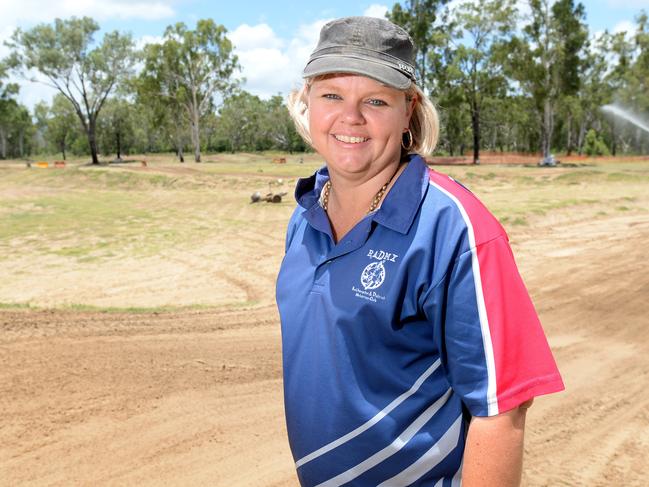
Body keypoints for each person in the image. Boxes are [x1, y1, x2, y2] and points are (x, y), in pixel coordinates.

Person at [276, 16, 564, 486]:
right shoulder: (304, 217)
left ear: (407, 110)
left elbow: (501, 408)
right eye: (331, 95)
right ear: (307, 101)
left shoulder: (456, 228)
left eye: (375, 100)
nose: (351, 117)